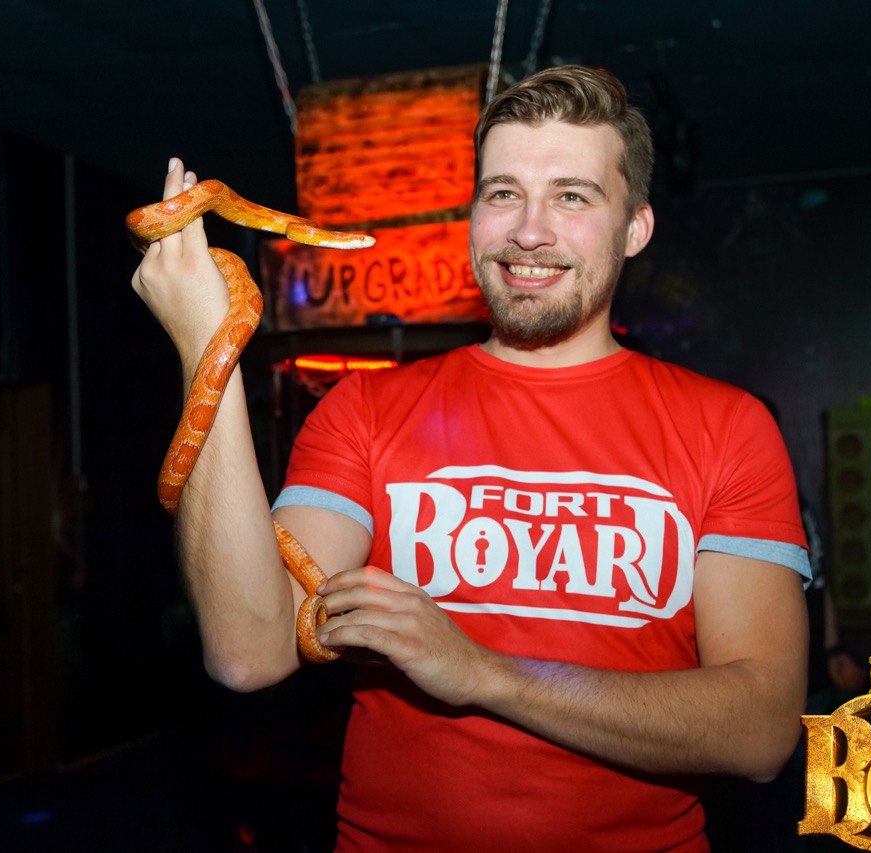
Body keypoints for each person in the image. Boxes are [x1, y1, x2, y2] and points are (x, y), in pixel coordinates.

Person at [133, 65, 812, 851]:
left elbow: (762, 730)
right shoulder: (364, 410)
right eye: (502, 193)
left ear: (635, 227)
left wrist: (480, 670)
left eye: (571, 196)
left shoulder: (728, 427)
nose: (528, 231)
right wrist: (206, 343)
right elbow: (248, 651)